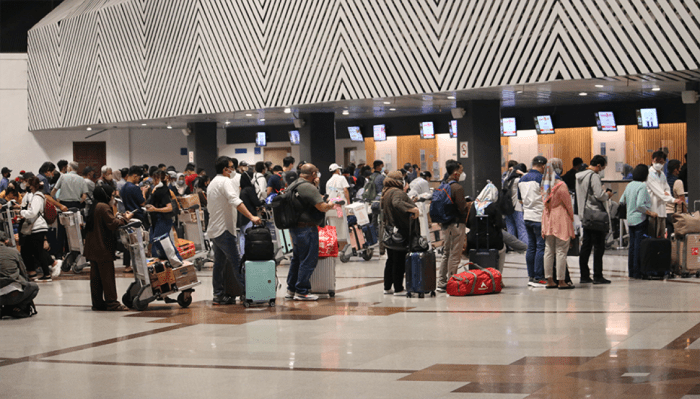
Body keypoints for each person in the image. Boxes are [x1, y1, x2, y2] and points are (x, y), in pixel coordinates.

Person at [207, 156, 262, 305]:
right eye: (232, 167)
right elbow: (236, 201)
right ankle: (248, 293)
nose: (234, 170)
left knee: (219, 263)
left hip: (215, 229)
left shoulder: (212, 183)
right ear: (225, 169)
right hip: (224, 229)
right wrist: (252, 217)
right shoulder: (225, 182)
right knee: (237, 261)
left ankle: (218, 294)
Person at [284, 164, 335, 301]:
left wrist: (316, 186)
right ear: (313, 173)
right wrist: (331, 204)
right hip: (307, 229)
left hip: (295, 228)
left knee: (297, 259)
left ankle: (291, 289)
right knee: (308, 259)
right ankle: (302, 290)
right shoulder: (308, 187)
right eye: (317, 173)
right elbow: (322, 207)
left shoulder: (294, 184)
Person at [84, 185, 132, 311]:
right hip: (102, 247)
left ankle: (97, 303)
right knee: (107, 276)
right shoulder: (103, 206)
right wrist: (126, 219)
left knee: (96, 278)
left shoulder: (95, 205)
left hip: (93, 246)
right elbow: (113, 224)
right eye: (111, 195)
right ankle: (112, 303)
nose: (113, 198)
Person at [381, 171, 419, 296]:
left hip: (389, 231)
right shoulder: (396, 192)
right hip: (399, 232)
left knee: (390, 260)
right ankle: (398, 288)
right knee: (399, 261)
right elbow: (397, 203)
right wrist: (412, 208)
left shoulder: (386, 192)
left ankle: (387, 287)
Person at [575, 155, 612, 284]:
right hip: (596, 215)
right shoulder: (594, 176)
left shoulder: (580, 175)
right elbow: (599, 195)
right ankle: (597, 275)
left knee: (586, 246)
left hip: (585, 214)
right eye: (602, 168)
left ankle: (584, 275)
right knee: (598, 246)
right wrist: (607, 194)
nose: (601, 171)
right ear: (598, 166)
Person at [19, 176, 62, 281]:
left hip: (38, 226)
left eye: (28, 185)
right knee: (37, 251)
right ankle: (46, 273)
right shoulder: (37, 195)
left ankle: (47, 273)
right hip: (37, 226)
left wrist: (22, 212)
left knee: (39, 252)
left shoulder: (37, 197)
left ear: (33, 186)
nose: (27, 187)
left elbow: (33, 212)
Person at [540, 159, 575, 289]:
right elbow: (568, 205)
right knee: (561, 250)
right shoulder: (561, 185)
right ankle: (561, 281)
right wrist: (572, 219)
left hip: (547, 217)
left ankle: (549, 280)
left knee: (548, 250)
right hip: (560, 217)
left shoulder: (544, 184)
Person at [436, 160, 469, 292]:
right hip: (456, 224)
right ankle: (452, 282)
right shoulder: (457, 188)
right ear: (455, 173)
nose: (462, 173)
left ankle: (442, 282)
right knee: (455, 254)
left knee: (446, 253)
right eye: (461, 171)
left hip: (445, 225)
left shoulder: (442, 186)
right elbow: (462, 208)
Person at [619, 164, 656, 279]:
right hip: (640, 219)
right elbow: (640, 204)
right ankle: (639, 271)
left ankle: (632, 272)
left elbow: (621, 200)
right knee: (639, 246)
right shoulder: (642, 186)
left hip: (630, 219)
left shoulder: (629, 185)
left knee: (632, 247)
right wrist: (650, 213)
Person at [519, 156, 548, 287]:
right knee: (541, 246)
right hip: (539, 217)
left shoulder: (522, 179)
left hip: (527, 217)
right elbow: (547, 198)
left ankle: (531, 276)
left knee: (531, 246)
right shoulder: (541, 179)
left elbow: (520, 200)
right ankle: (539, 277)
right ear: (543, 166)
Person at [0, 230, 40, 318]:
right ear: (6, 241)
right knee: (34, 287)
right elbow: (24, 272)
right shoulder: (13, 252)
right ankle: (17, 308)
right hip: (13, 294)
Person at [646, 150, 682, 238]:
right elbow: (659, 192)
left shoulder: (662, 174)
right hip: (653, 210)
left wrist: (667, 194)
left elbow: (667, 188)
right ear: (653, 160)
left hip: (662, 210)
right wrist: (673, 199)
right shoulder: (649, 174)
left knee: (661, 237)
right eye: (658, 161)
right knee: (653, 237)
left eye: (662, 162)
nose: (660, 164)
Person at [120, 166, 148, 272]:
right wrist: (144, 192)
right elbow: (142, 202)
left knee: (129, 240)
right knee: (140, 241)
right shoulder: (134, 188)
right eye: (139, 177)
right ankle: (141, 264)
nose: (139, 179)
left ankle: (127, 265)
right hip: (137, 216)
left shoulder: (123, 188)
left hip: (128, 215)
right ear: (135, 175)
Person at [145, 170, 174, 248]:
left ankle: (174, 259)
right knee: (158, 243)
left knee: (160, 244)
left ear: (157, 179)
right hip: (158, 220)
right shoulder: (157, 190)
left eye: (154, 179)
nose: (152, 181)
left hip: (163, 220)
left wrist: (155, 209)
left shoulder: (163, 191)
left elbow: (169, 208)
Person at [502, 163, 528, 247]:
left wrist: (510, 172)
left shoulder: (507, 179)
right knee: (521, 228)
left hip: (507, 207)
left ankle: (510, 246)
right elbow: (528, 179)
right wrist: (522, 173)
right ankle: (524, 246)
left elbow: (504, 178)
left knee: (510, 227)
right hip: (517, 207)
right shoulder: (518, 180)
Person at [665, 159, 686, 236]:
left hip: (665, 213)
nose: (680, 170)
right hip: (675, 213)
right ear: (675, 170)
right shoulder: (678, 182)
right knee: (679, 236)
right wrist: (686, 213)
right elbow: (682, 199)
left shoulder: (664, 181)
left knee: (669, 235)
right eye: (679, 168)